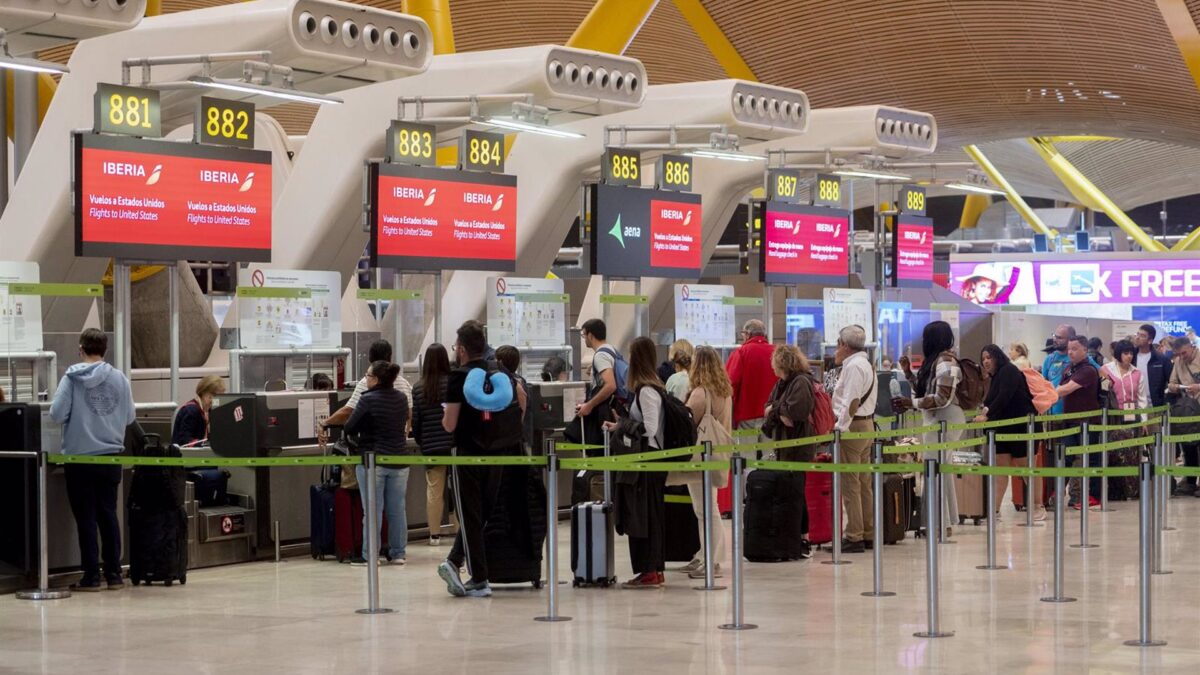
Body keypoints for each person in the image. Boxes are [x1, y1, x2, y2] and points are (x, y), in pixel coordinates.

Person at [437, 321, 527, 599]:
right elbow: (522, 400)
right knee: (483, 512)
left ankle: (479, 578)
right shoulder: (499, 371)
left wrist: (445, 415)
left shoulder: (459, 377)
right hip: (498, 451)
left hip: (467, 452)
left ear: (461, 349)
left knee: (469, 513)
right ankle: (454, 561)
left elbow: (450, 424)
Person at [49, 328, 136, 591]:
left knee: (85, 517)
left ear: (81, 349)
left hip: (80, 458)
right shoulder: (120, 378)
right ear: (105, 350)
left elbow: (56, 413)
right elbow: (130, 417)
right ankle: (114, 575)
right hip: (110, 457)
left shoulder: (72, 378)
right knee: (108, 515)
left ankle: (90, 577)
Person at [603, 336, 669, 588]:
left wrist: (625, 424)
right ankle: (653, 570)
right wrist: (620, 425)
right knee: (648, 517)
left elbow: (650, 429)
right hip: (648, 464)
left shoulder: (647, 391)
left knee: (644, 519)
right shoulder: (650, 388)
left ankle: (649, 570)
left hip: (647, 465)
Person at [895, 321, 964, 537]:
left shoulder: (946, 362)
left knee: (934, 472)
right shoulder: (936, 361)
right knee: (938, 472)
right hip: (937, 420)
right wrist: (908, 373)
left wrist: (911, 403)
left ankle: (939, 524)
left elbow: (942, 398)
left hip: (945, 419)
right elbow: (926, 390)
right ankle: (943, 522)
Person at [346, 360, 412, 565]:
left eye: (368, 376)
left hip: (373, 460)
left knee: (373, 511)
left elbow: (350, 425)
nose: (366, 379)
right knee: (397, 509)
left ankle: (371, 555)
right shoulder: (401, 398)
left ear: (376, 379)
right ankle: (398, 553)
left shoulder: (368, 399)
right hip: (400, 459)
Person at [762, 344, 820, 558]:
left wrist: (774, 410)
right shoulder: (782, 384)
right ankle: (791, 536)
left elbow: (794, 414)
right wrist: (778, 410)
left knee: (796, 492)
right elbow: (770, 409)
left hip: (798, 445)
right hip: (784, 444)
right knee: (789, 492)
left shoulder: (801, 382)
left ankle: (803, 538)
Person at [678, 345, 731, 577]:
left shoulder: (700, 393)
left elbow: (686, 423)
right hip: (719, 452)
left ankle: (713, 560)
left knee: (705, 509)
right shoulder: (724, 391)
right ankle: (705, 555)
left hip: (700, 456)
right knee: (710, 506)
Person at [973, 345, 1039, 522]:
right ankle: (994, 510)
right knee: (1000, 471)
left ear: (997, 357)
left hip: (1021, 428)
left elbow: (1005, 396)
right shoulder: (995, 377)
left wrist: (987, 416)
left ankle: (1038, 507)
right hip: (1002, 429)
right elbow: (994, 400)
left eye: (989, 357)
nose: (986, 361)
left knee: (1027, 468)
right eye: (983, 358)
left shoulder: (1009, 370)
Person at [830, 325, 876, 553]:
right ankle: (868, 532)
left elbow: (851, 402)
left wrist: (840, 428)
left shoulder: (854, 367)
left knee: (851, 484)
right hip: (866, 425)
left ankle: (854, 535)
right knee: (864, 483)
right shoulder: (865, 364)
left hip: (853, 427)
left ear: (844, 345)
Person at [320, 339, 411, 439]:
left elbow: (348, 412)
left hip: (374, 444)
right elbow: (410, 412)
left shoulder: (367, 383)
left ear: (370, 359)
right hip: (400, 442)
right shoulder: (403, 383)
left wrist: (325, 422)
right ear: (390, 357)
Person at [413, 344, 455, 545]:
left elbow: (417, 421)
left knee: (434, 490)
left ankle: (434, 534)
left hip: (431, 445)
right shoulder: (454, 383)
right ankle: (459, 528)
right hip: (455, 444)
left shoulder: (419, 387)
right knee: (459, 488)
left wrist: (423, 442)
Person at [1055, 336, 1102, 509]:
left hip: (1088, 422)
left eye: (1074, 348)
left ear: (1084, 349)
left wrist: (1045, 394)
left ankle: (1093, 496)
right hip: (1070, 421)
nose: (1070, 352)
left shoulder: (1088, 370)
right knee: (1066, 457)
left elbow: (1066, 389)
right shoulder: (1068, 368)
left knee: (1091, 459)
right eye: (1069, 348)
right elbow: (1061, 388)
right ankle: (1061, 494)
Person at [726, 319, 778, 434]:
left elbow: (730, 383)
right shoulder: (777, 352)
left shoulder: (741, 353)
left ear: (748, 334)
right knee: (770, 451)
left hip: (747, 414)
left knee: (747, 451)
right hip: (772, 413)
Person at [1042, 325, 1099, 416]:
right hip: (1055, 412)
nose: (1055, 340)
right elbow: (1045, 383)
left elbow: (1065, 389)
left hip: (1079, 417)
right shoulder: (1051, 359)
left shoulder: (1087, 365)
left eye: (1059, 338)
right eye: (1055, 336)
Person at [1168, 336, 1200, 496]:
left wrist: (1198, 387)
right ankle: (1190, 481)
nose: (1182, 356)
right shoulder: (1179, 362)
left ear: (1192, 347)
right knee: (1188, 446)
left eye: (1184, 353)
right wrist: (1173, 386)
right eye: (1179, 354)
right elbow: (1172, 381)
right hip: (1189, 410)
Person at [577, 318, 619, 426]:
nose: (584, 338)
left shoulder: (600, 356)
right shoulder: (611, 349)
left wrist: (589, 405)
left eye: (584, 335)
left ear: (590, 335)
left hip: (606, 411)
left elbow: (611, 385)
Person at [170, 375, 225, 446]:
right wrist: (205, 444)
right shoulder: (191, 411)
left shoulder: (209, 411)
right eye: (213, 395)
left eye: (219, 396)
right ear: (203, 392)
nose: (216, 399)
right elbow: (184, 440)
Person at [1102, 340, 1150, 414]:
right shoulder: (1106, 370)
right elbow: (1102, 394)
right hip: (1111, 414)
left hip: (1132, 413)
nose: (1129, 356)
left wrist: (1144, 421)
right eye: (1126, 353)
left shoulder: (1137, 373)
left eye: (1131, 353)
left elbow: (1142, 399)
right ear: (1118, 353)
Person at [1134, 324, 1172, 408]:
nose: (1137, 337)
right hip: (1134, 406)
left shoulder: (1162, 359)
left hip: (1155, 407)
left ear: (1150, 340)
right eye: (1137, 334)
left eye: (1142, 336)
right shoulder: (1131, 357)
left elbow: (1171, 382)